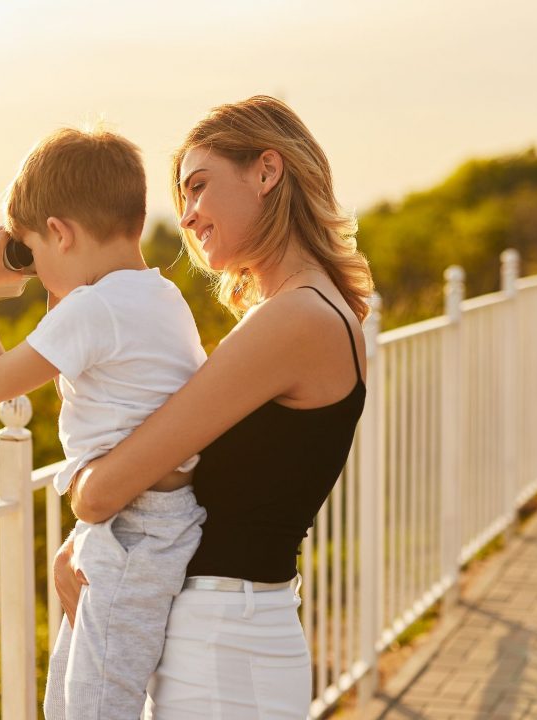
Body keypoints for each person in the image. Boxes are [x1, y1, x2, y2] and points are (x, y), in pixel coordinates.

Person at [58, 95, 374, 718]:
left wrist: (86, 513)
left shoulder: (295, 319)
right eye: (182, 200)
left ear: (266, 170)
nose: (189, 216)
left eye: (199, 187)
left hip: (226, 651)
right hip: (225, 639)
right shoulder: (306, 309)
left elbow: (103, 491)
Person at [0, 127, 208, 719]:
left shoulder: (96, 310)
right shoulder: (159, 296)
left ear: (61, 234)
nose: (36, 269)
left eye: (34, 251)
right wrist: (46, 268)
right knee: (72, 695)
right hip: (146, 520)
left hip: (136, 527)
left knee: (94, 705)